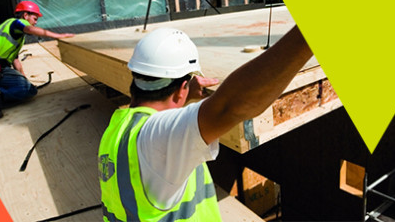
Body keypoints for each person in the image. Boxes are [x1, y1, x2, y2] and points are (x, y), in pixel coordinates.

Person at [98, 26, 312, 221]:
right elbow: (231, 106)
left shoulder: (119, 127)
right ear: (182, 87)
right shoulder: (156, 140)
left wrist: (183, 95)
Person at [0, 0, 75, 118]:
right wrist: (58, 35)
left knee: (27, 86)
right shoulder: (16, 23)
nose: (35, 22)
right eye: (35, 18)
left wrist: (24, 79)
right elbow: (30, 30)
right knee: (28, 91)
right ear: (25, 15)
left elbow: (15, 60)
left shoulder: (13, 33)